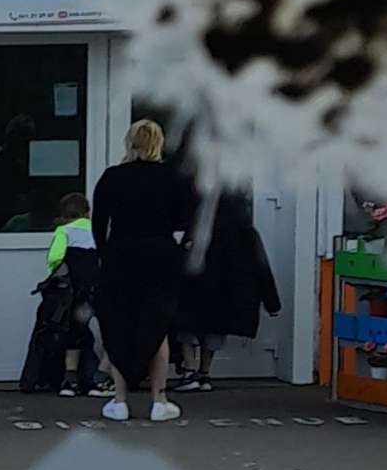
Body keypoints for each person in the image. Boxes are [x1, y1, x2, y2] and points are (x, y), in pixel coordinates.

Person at [89, 116, 191, 423]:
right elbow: (187, 220)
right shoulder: (173, 177)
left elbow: (98, 224)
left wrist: (105, 254)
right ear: (159, 143)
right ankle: (159, 399)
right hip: (160, 256)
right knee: (157, 326)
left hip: (121, 256)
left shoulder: (112, 177)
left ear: (129, 142)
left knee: (119, 326)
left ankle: (119, 400)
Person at [172, 186, 281, 390]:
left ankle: (189, 371)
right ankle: (205, 373)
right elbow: (261, 267)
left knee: (186, 328)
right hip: (225, 290)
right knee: (215, 330)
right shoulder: (244, 229)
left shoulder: (197, 226)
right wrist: (272, 302)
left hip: (194, 286)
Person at [20, 188, 104, 397]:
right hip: (94, 290)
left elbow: (54, 258)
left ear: (63, 214)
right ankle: (94, 380)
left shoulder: (63, 231)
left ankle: (69, 380)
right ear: (87, 212)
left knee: (72, 334)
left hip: (70, 293)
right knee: (93, 334)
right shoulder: (97, 230)